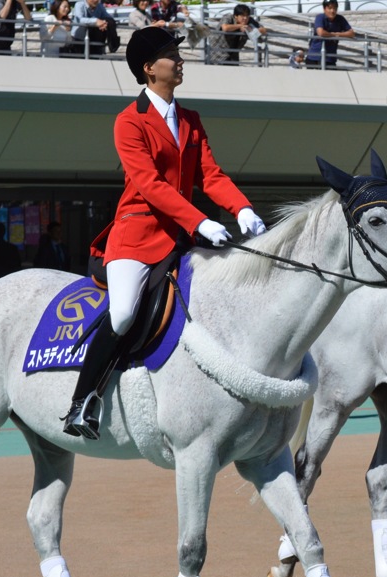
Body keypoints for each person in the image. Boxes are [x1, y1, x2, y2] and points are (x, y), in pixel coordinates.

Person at [62, 27, 268, 439]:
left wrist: (241, 207)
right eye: (172, 55)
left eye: (177, 54)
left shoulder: (190, 120)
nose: (180, 61)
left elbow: (211, 175)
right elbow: (150, 184)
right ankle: (81, 401)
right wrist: (200, 221)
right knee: (121, 313)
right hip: (137, 237)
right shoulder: (128, 121)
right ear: (148, 69)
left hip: (183, 239)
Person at [306, 0, 353, 68]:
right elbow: (320, 32)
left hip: (330, 57)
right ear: (324, 9)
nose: (332, 11)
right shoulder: (320, 17)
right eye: (330, 8)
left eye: (335, 8)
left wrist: (337, 34)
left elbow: (351, 33)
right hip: (315, 57)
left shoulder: (340, 19)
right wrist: (334, 35)